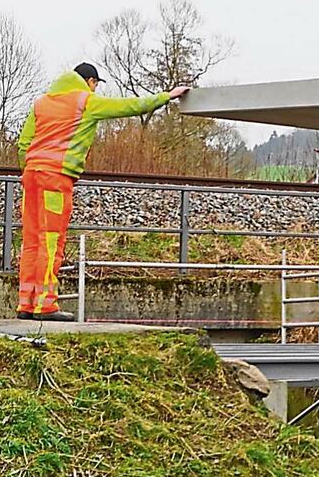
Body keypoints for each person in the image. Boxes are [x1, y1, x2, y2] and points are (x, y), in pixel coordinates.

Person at [15, 63, 190, 321]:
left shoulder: (41, 103)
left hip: (31, 177)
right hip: (56, 178)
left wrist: (31, 168)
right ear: (89, 81)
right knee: (51, 241)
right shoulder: (86, 102)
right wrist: (167, 95)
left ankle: (25, 304)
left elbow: (23, 144)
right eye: (96, 83)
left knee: (31, 240)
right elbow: (130, 106)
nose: (95, 88)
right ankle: (45, 305)